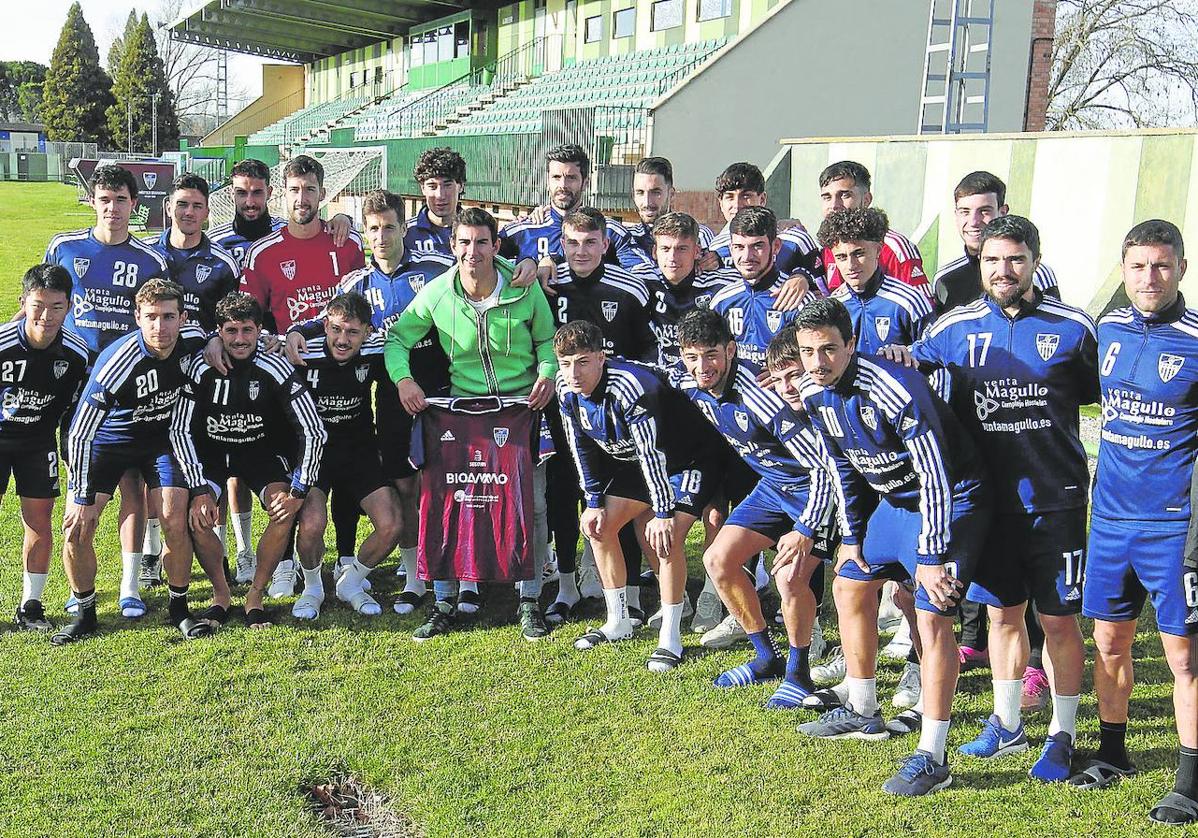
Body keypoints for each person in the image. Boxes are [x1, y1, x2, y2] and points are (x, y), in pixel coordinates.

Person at [898, 215, 1097, 782]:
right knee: (1000, 613)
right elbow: (908, 365)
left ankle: (1061, 734)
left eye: (1014, 259)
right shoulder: (951, 327)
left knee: (1058, 621)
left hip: (1054, 500)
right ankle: (1007, 725)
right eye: (992, 260)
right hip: (987, 503)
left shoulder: (1074, 327)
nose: (1003, 271)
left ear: (1035, 260)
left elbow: (1094, 391)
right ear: (978, 263)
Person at [794, 297, 991, 797]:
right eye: (808, 352)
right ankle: (863, 709)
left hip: (950, 498)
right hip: (893, 502)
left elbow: (937, 474)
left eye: (829, 350)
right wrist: (852, 536)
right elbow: (842, 467)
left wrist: (928, 558)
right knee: (849, 584)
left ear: (852, 345)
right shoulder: (814, 393)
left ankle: (933, 753)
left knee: (933, 612)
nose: (819, 362)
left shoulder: (893, 386)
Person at [1070, 220, 1198, 825]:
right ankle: (1114, 753)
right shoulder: (1108, 329)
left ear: (1180, 269)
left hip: (1174, 527)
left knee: (1183, 657)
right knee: (1110, 641)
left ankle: (1191, 780)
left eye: (1162, 266)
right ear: (1124, 271)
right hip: (1110, 521)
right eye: (1139, 266)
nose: (1150, 277)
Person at [385, 207, 557, 642]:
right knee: (451, 503)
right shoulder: (439, 292)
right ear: (452, 245)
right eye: (464, 242)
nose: (472, 251)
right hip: (461, 415)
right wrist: (404, 380)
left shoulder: (523, 286)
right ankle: (444, 600)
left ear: (496, 246)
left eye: (481, 242)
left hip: (520, 411)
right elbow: (398, 339)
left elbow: (546, 341)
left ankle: (530, 599)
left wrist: (547, 373)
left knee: (531, 506)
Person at [286, 189, 455, 612]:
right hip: (395, 400)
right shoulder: (355, 283)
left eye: (390, 227)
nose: (382, 237)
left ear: (404, 228)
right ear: (365, 232)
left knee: (449, 486)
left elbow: (478, 276)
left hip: (443, 392)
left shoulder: (436, 271)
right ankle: (414, 577)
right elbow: (327, 320)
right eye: (374, 229)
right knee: (405, 486)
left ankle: (457, 575)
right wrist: (295, 332)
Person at [674, 309, 834, 708]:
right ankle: (766, 657)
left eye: (711, 354)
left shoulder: (759, 394)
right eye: (691, 357)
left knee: (790, 578)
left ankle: (799, 675)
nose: (702, 366)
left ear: (731, 350)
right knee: (717, 560)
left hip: (816, 488)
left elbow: (821, 466)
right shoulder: (688, 381)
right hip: (774, 487)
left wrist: (808, 527)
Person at [554, 320, 729, 670]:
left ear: (602, 358)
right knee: (598, 526)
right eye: (566, 363)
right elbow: (580, 446)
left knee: (667, 536)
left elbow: (654, 453)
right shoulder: (565, 388)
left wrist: (663, 513)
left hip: (687, 458)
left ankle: (670, 635)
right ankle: (617, 621)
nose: (574, 372)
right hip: (637, 462)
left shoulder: (630, 386)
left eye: (583, 361)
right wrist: (592, 501)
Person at [54, 279, 209, 644]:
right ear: (137, 317)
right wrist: (79, 495)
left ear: (182, 318)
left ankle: (179, 609)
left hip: (160, 440)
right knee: (78, 526)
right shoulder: (118, 361)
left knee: (174, 515)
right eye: (151, 317)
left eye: (169, 317)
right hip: (110, 441)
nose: (161, 327)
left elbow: (211, 335)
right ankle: (86, 613)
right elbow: (80, 432)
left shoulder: (192, 341)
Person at [238, 154, 364, 596]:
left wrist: (346, 220)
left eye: (310, 189)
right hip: (287, 377)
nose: (302, 197)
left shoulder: (346, 246)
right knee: (292, 465)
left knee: (346, 457)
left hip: (341, 374)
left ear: (322, 193)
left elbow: (360, 308)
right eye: (294, 189)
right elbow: (252, 314)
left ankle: (346, 558)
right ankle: (287, 563)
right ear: (282, 193)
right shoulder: (263, 252)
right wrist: (276, 338)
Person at [46, 163, 170, 610]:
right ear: (93, 202)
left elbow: (163, 314)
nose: (113, 209)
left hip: (133, 389)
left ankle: (130, 585)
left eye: (121, 200)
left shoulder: (150, 260)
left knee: (134, 487)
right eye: (104, 199)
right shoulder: (64, 247)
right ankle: (79, 589)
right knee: (83, 483)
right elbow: (42, 300)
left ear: (134, 205)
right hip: (75, 386)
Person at [170, 291, 327, 629]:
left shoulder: (276, 366)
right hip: (213, 455)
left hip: (261, 455)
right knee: (197, 518)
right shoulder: (200, 367)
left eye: (246, 330)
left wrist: (298, 489)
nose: (239, 339)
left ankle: (255, 594)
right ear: (218, 332)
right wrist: (198, 489)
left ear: (259, 331)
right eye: (230, 331)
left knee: (283, 511)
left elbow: (313, 430)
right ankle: (221, 594)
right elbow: (179, 430)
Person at [543, 206, 658, 622]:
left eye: (590, 241)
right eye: (572, 242)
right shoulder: (547, 283)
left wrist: (629, 387)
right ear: (561, 244)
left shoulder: (630, 288)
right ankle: (568, 585)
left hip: (617, 413)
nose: (581, 250)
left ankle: (628, 593)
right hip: (566, 406)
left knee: (620, 500)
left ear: (606, 244)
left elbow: (650, 349)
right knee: (563, 490)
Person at [292, 293, 400, 621]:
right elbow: (256, 340)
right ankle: (312, 588)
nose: (342, 340)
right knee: (312, 523)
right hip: (313, 453)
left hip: (359, 451)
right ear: (325, 325)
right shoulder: (302, 348)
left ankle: (351, 583)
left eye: (352, 332)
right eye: (336, 329)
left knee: (391, 524)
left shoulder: (377, 347)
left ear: (367, 331)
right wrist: (294, 330)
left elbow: (410, 339)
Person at [0, 265, 89, 631]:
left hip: (38, 442)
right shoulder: (3, 343)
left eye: (56, 306)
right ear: (23, 303)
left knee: (39, 522)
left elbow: (75, 412)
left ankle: (30, 606)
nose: (46, 316)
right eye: (38, 305)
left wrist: (72, 456)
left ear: (69, 307)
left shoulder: (77, 354)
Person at [709, 206, 817, 375]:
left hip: (784, 395)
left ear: (776, 246)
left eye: (757, 246)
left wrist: (784, 373)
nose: (747, 256)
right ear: (731, 249)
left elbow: (816, 356)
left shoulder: (798, 300)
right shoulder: (722, 300)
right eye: (739, 247)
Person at [933, 171, 1060, 312]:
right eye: (965, 212)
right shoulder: (945, 279)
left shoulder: (1036, 272)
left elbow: (1053, 322)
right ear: (956, 215)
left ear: (1003, 212)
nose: (974, 222)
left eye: (984, 211)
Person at [821, 207, 935, 355]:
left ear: (878, 250)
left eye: (859, 253)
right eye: (842, 257)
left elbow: (935, 357)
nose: (851, 265)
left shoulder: (910, 301)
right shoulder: (834, 307)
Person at [815, 161, 927, 295]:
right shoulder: (827, 245)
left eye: (845, 195)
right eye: (827, 197)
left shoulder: (893, 246)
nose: (834, 205)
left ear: (867, 199)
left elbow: (922, 304)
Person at [706, 162, 823, 282]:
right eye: (730, 197)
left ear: (762, 199)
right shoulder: (716, 247)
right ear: (720, 203)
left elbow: (823, 290)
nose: (737, 205)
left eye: (746, 196)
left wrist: (802, 277)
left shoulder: (796, 240)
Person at [607, 157, 714, 270]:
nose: (647, 202)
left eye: (655, 192)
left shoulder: (700, 235)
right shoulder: (624, 239)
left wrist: (715, 261)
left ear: (671, 194)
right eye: (640, 193)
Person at [405, 147, 467, 258]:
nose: (440, 195)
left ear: (461, 186)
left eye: (447, 185)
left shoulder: (477, 231)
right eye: (432, 186)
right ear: (423, 188)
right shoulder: (406, 233)